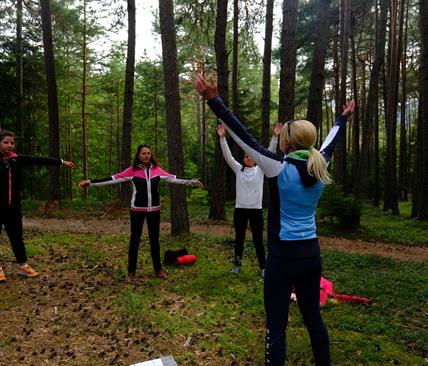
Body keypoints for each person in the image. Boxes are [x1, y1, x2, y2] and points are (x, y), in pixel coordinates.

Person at [195, 74, 355, 366]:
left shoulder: (277, 167)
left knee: (277, 327)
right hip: (311, 256)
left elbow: (243, 135)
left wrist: (214, 100)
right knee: (313, 320)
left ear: (286, 142)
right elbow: (331, 141)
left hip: (282, 259)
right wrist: (342, 119)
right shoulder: (320, 164)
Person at [79, 144, 203, 282]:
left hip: (154, 210)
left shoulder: (157, 170)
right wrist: (90, 182)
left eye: (148, 153)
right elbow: (112, 179)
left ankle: (158, 270)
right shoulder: (132, 171)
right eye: (143, 153)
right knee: (135, 240)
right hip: (137, 210)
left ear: (151, 155)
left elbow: (173, 178)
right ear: (138, 155)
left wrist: (192, 181)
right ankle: (131, 272)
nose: (146, 155)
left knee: (154, 240)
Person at [0, 130, 76, 282]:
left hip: (13, 207)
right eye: (5, 142)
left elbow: (38, 159)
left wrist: (61, 161)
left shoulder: (16, 159)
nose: (9, 145)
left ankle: (23, 266)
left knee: (17, 237)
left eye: (12, 142)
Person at [217, 122, 282, 277]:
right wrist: (222, 139)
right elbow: (228, 156)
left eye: (250, 156)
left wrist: (275, 137)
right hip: (240, 210)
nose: (248, 157)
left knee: (258, 239)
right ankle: (237, 264)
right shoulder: (238, 170)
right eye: (246, 156)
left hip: (256, 211)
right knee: (239, 238)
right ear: (244, 159)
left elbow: (269, 152)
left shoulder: (260, 170)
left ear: (254, 160)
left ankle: (263, 266)